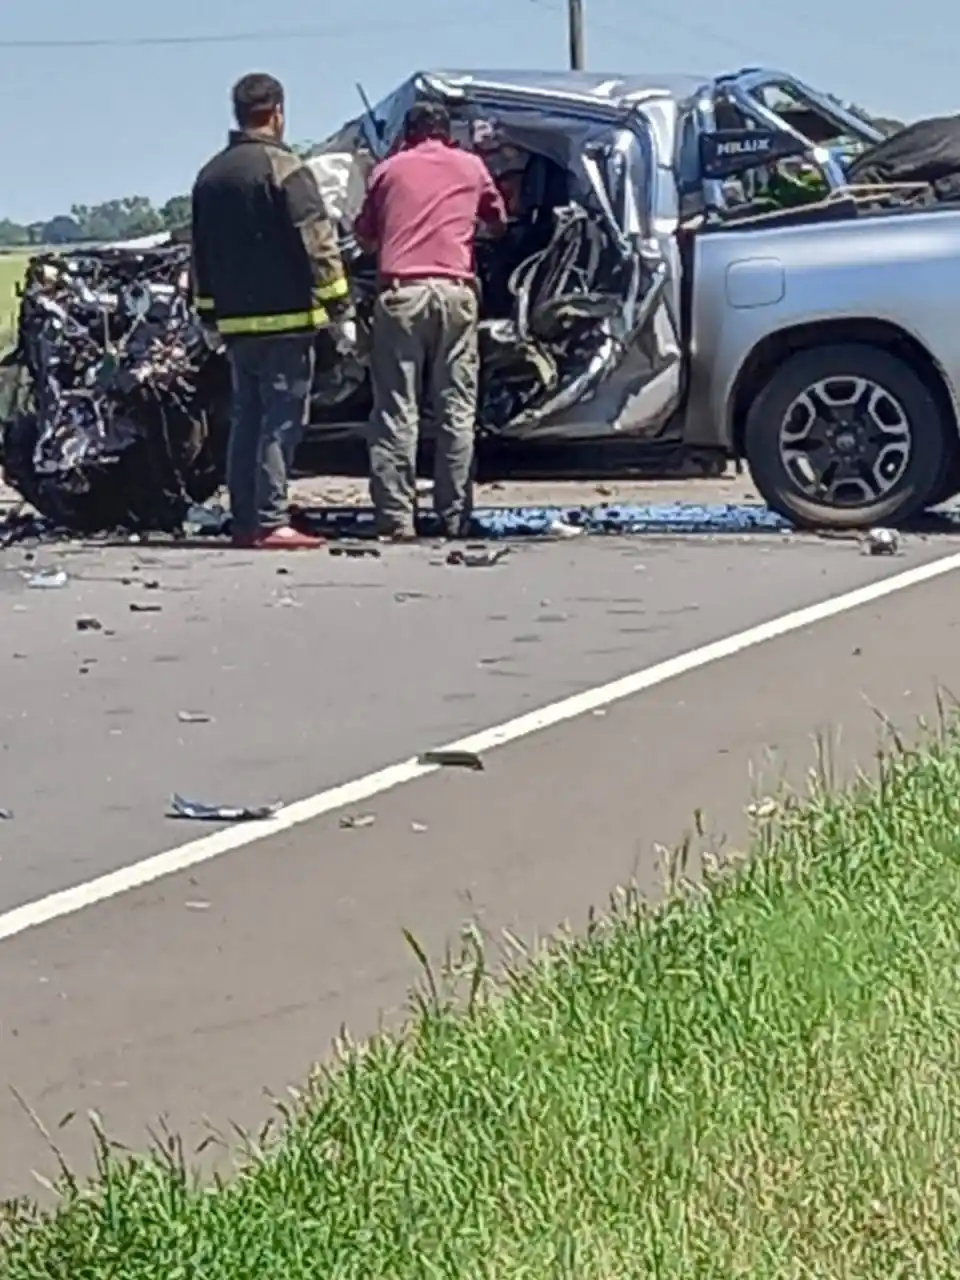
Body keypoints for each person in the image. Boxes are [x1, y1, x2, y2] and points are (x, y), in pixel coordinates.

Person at [191, 73, 355, 549]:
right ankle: (271, 520)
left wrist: (207, 318)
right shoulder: (286, 168)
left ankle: (246, 519)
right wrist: (339, 304)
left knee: (247, 418)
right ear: (278, 112)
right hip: (287, 320)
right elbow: (317, 241)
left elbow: (199, 254)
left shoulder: (210, 176)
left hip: (236, 325)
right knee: (280, 421)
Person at [353, 102, 508, 540]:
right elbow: (498, 224)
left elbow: (363, 236)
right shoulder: (471, 166)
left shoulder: (387, 170)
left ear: (408, 133)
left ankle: (397, 519)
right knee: (455, 410)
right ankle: (455, 517)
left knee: (396, 411)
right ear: (447, 133)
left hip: (401, 295)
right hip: (457, 294)